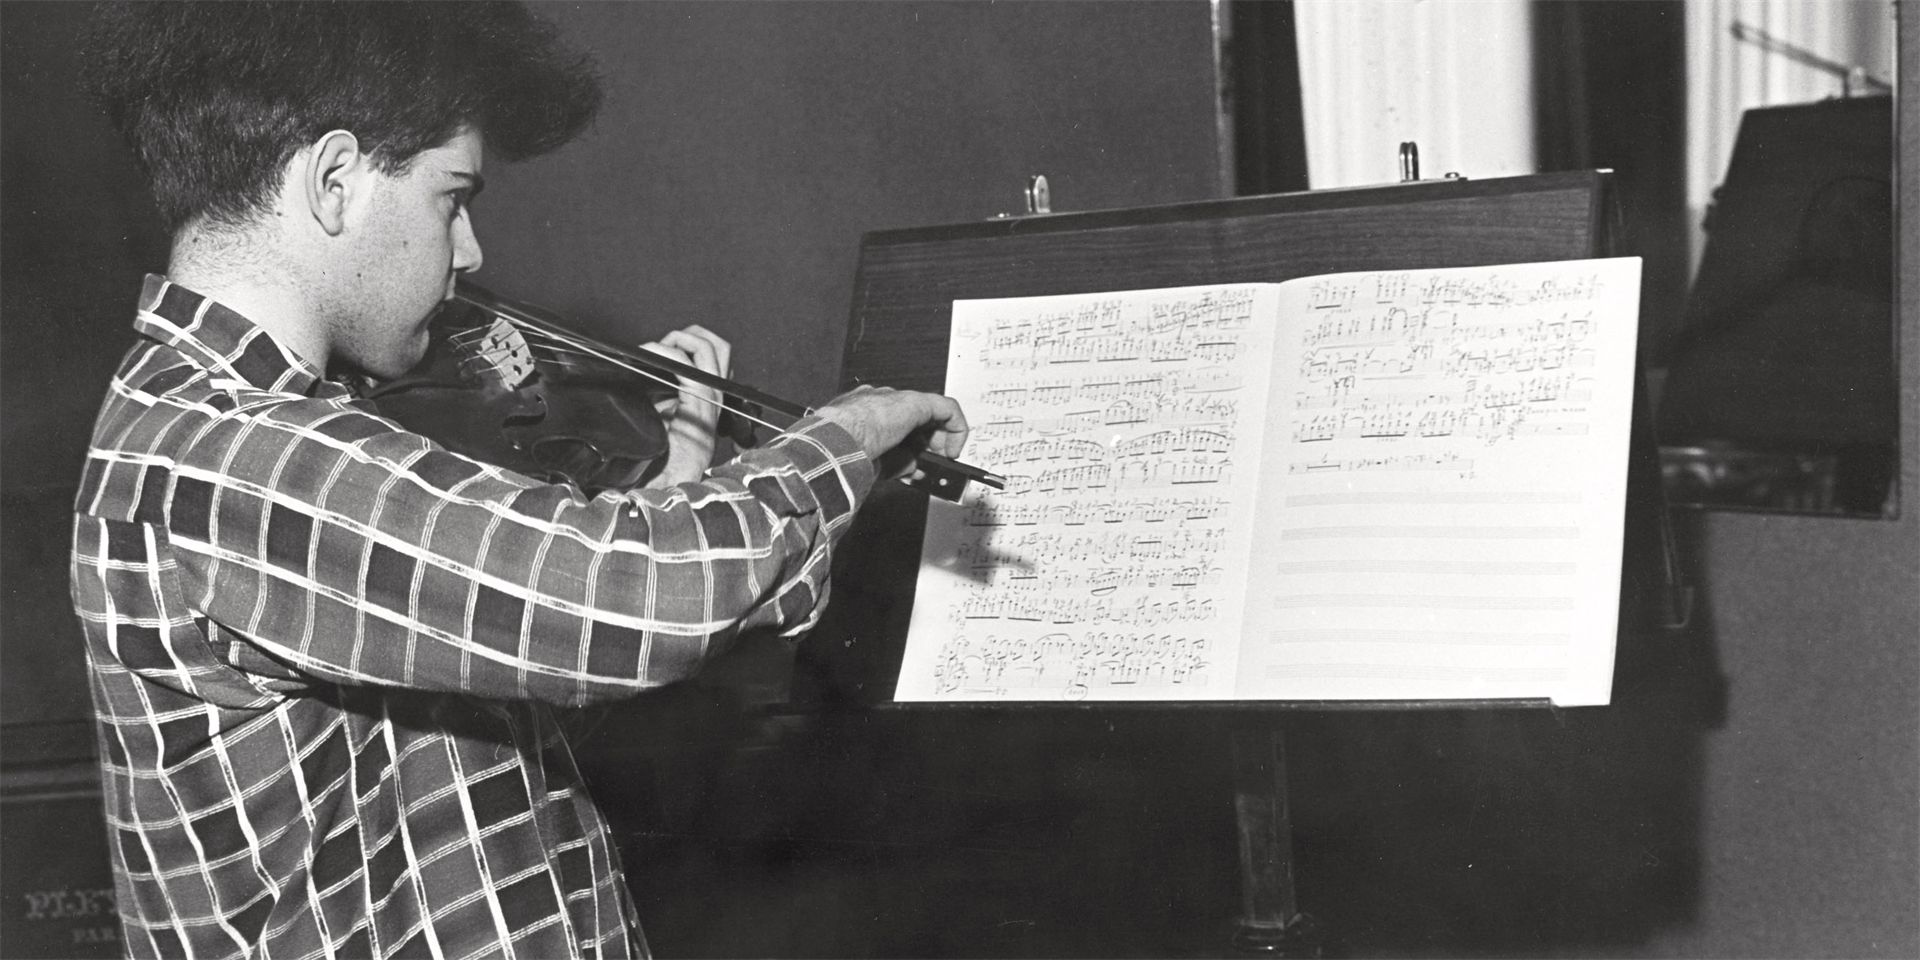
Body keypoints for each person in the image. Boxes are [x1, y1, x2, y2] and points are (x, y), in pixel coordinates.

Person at [69, 3, 968, 958]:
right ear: (334, 181)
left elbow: (526, 685)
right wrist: (842, 439)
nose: (470, 253)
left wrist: (682, 481)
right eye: (451, 198)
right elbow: (633, 596)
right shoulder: (227, 453)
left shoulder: (247, 429)